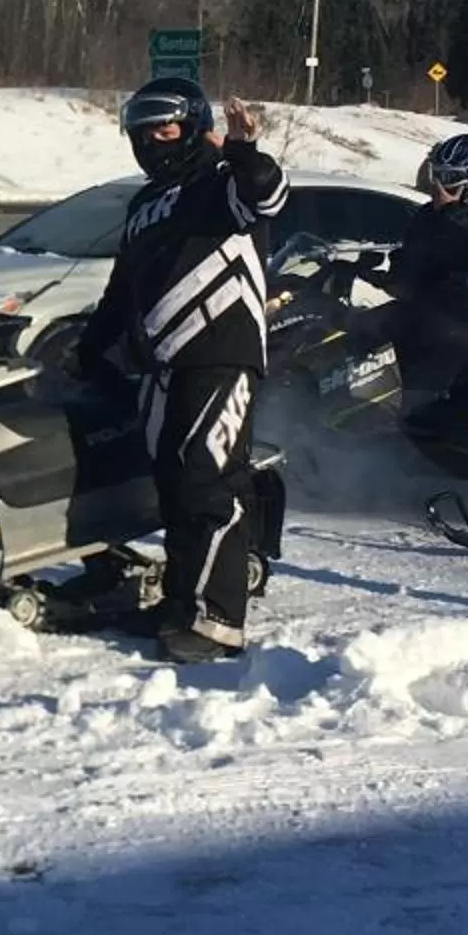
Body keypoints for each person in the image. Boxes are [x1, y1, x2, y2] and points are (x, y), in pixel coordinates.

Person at [78, 76, 290, 666]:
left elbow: (269, 197)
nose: (152, 138)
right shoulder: (145, 203)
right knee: (171, 486)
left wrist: (245, 150)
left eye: (164, 126)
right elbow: (124, 289)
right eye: (141, 129)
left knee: (207, 479)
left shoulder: (220, 183)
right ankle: (182, 601)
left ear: (193, 124)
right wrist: (90, 348)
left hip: (222, 350)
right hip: (163, 363)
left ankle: (219, 618)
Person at [370, 131, 468, 403]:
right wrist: (388, 276)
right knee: (371, 327)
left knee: (434, 341)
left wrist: (453, 213)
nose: (441, 187)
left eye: (452, 178)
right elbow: (414, 258)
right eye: (438, 176)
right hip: (430, 308)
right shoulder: (428, 215)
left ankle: (423, 416)